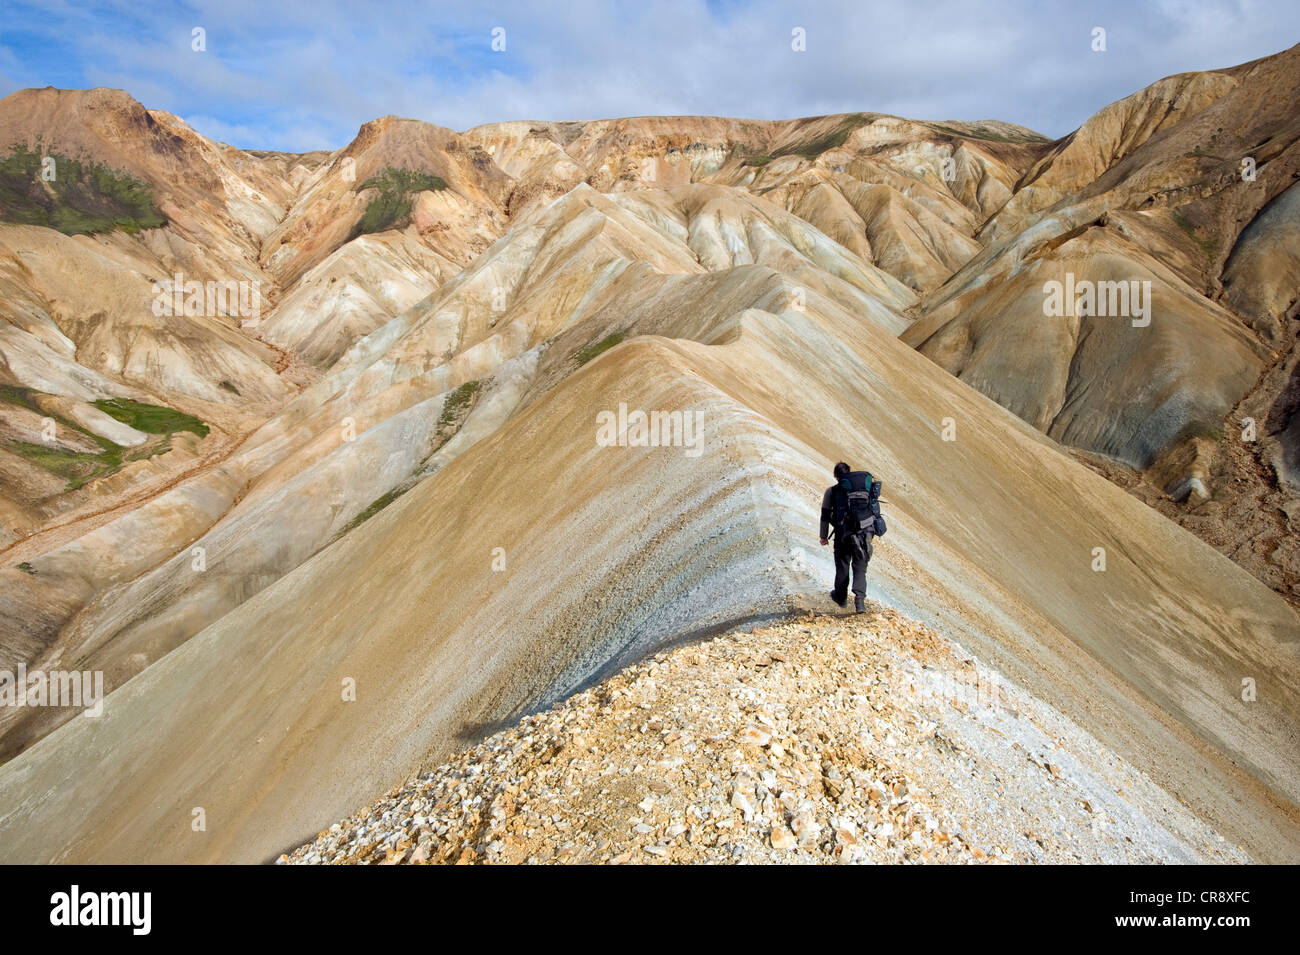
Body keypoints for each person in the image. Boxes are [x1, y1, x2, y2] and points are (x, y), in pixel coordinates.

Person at [819, 461, 876, 613]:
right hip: (865, 532)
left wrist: (823, 536)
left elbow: (824, 515)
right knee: (860, 566)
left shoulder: (832, 491)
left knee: (843, 565)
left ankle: (841, 597)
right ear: (849, 472)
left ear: (836, 476)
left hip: (843, 534)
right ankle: (859, 600)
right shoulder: (864, 488)